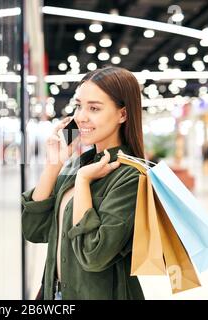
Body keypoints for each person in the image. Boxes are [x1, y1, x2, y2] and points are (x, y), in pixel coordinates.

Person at [22, 66, 145, 300]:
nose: (81, 116)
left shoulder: (130, 176)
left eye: (94, 108)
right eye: (79, 106)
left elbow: (93, 255)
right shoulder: (77, 165)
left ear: (123, 114)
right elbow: (33, 230)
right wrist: (53, 165)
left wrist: (83, 183)